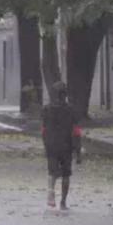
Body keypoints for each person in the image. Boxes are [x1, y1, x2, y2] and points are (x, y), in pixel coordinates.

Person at [42, 82, 82, 210]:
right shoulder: (71, 110)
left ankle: (50, 192)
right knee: (66, 175)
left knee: (52, 171)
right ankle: (63, 202)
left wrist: (45, 146)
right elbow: (76, 131)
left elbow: (43, 130)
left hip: (51, 145)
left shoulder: (46, 109)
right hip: (66, 146)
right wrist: (78, 151)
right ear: (65, 95)